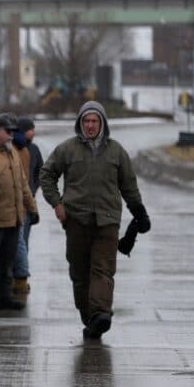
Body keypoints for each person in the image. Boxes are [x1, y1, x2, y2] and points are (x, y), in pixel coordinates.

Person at [40, 101, 150, 339]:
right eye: (86, 121)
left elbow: (129, 186)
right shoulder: (67, 149)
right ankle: (89, 316)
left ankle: (101, 313)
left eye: (95, 121)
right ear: (80, 123)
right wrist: (57, 204)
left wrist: (139, 212)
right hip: (76, 219)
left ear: (103, 124)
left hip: (107, 220)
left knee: (103, 269)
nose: (90, 125)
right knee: (79, 273)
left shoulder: (116, 151)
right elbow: (46, 174)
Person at [0, 114, 39, 311]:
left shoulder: (12, 152)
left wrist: (32, 208)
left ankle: (3, 297)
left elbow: (23, 183)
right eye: (7, 132)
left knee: (7, 262)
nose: (11, 136)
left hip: (14, 218)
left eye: (13, 132)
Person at [11, 116, 43, 295]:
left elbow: (40, 171)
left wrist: (33, 188)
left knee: (23, 242)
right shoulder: (18, 149)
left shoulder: (34, 149)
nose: (34, 131)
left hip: (27, 201)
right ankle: (19, 276)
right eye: (31, 128)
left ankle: (20, 277)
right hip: (20, 203)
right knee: (19, 242)